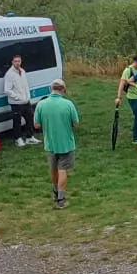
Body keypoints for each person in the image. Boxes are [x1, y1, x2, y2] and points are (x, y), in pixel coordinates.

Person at [35, 79, 80, 209]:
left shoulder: (41, 104)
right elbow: (76, 124)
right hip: (66, 143)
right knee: (63, 169)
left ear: (51, 90)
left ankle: (55, 191)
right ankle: (60, 199)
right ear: (63, 90)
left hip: (50, 143)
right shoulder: (68, 104)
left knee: (53, 169)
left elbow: (36, 125)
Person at [4, 55, 40, 147]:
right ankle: (18, 139)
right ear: (12, 62)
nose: (17, 63)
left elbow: (25, 86)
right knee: (17, 121)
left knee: (30, 118)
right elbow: (7, 90)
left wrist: (28, 96)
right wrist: (17, 97)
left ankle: (30, 137)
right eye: (15, 61)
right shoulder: (9, 74)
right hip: (16, 103)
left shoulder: (22, 71)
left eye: (19, 61)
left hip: (26, 101)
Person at [114, 54, 137, 144]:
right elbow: (122, 84)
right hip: (133, 97)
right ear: (136, 61)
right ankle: (136, 137)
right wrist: (118, 97)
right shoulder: (128, 70)